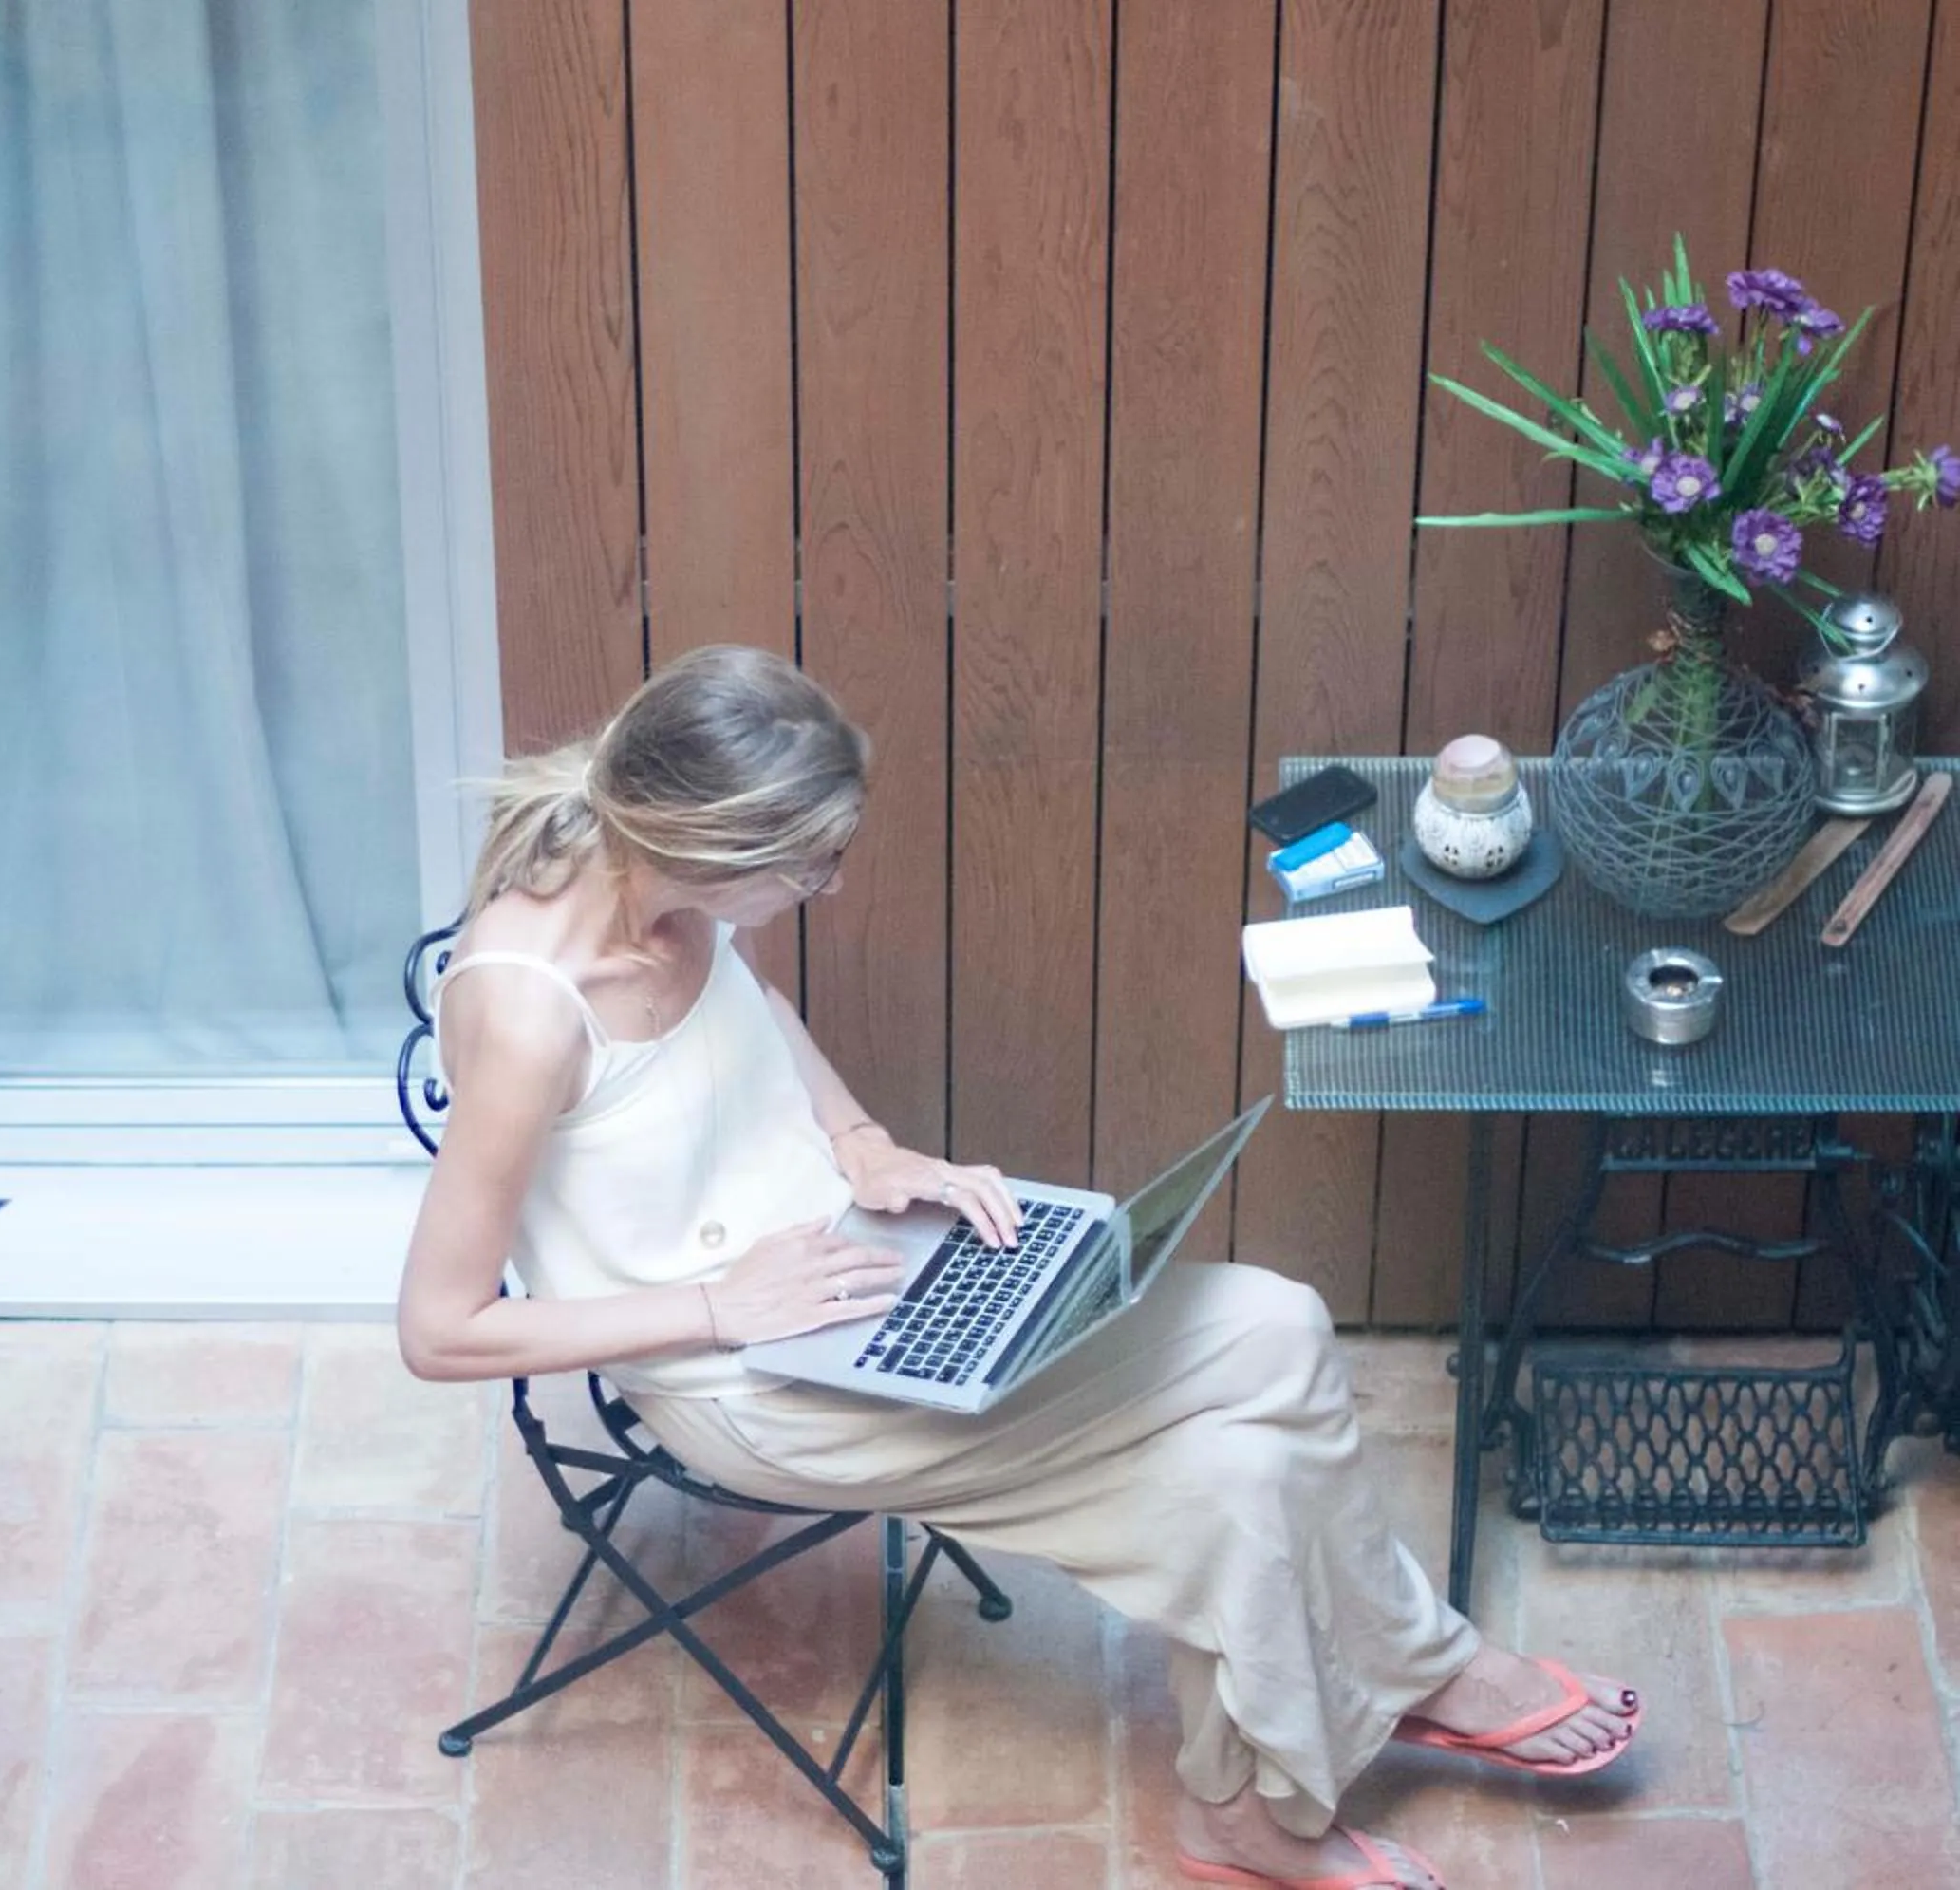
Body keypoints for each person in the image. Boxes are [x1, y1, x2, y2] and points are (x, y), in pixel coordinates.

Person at [396, 646, 1639, 1890]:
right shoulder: (527, 1013)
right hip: (746, 1381)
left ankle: (1399, 1683)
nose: (826, 888)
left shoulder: (676, 895)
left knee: (1280, 1319)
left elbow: (753, 1013)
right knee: (1229, 1482)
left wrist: (867, 1149)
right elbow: (438, 1330)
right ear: (715, 844)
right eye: (810, 863)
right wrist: (723, 1306)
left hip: (864, 1270)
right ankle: (1286, 1781)